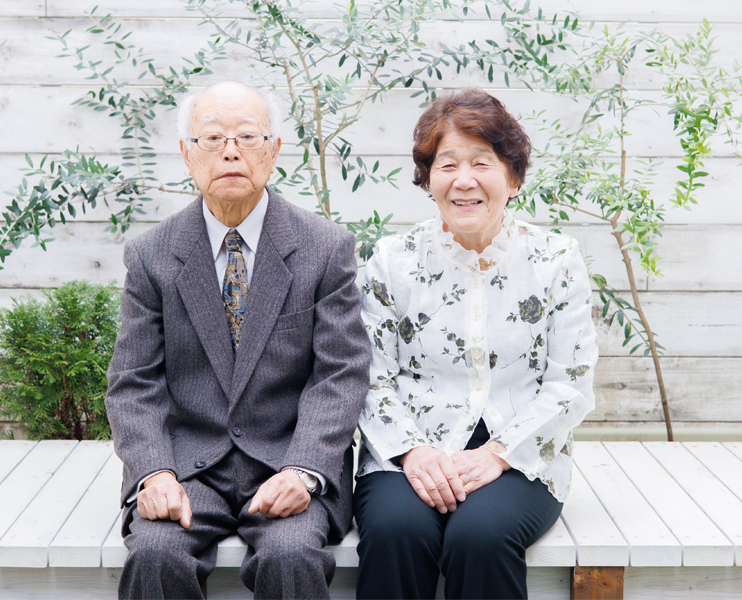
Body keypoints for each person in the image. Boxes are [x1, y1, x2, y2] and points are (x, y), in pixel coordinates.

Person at [105, 80, 370, 599]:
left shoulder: (324, 247)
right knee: (156, 555)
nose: (230, 150)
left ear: (273, 151)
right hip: (186, 468)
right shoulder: (151, 255)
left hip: (286, 461)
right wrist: (153, 471)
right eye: (211, 138)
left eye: (248, 136)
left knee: (291, 557)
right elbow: (134, 383)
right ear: (186, 153)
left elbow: (341, 372)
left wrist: (305, 469)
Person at [354, 88, 598, 600]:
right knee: (398, 532)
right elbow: (370, 372)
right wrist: (414, 452)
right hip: (409, 451)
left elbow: (570, 384)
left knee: (481, 537)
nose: (463, 180)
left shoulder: (556, 258)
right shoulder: (391, 260)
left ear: (512, 176)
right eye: (447, 164)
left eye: (481, 162)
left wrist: (499, 454)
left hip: (520, 452)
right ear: (428, 179)